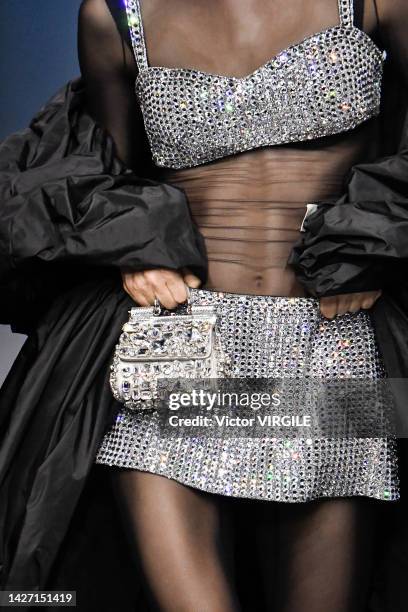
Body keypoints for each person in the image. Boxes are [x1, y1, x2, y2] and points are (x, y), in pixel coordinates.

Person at [0, 0, 407, 610]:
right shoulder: (115, 16)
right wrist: (131, 247)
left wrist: (375, 237)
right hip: (179, 339)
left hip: (330, 348)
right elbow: (101, 173)